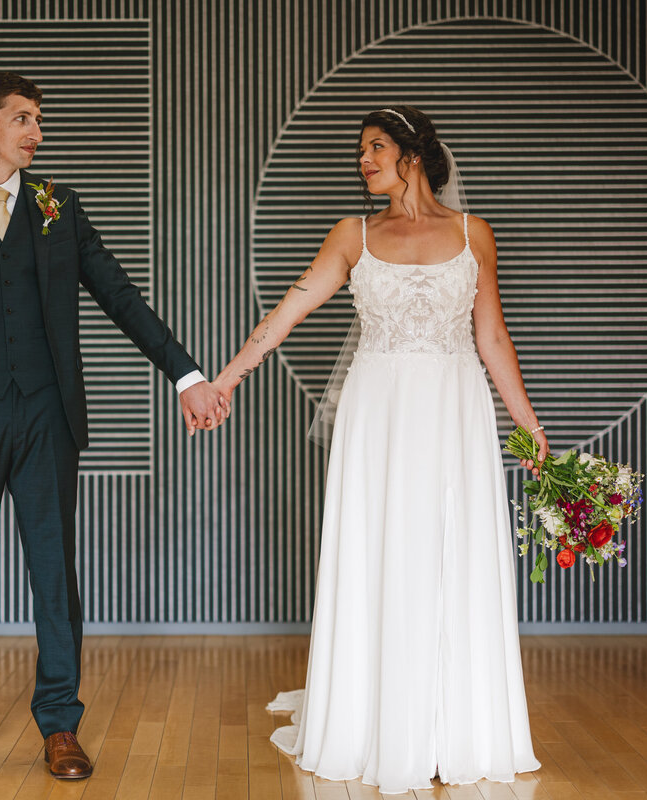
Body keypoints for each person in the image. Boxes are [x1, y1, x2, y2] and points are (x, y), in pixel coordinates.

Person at [0, 72, 228, 781]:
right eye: (22, 120)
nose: (36, 133)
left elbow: (120, 296)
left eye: (38, 120)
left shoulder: (56, 205)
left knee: (54, 578)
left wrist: (187, 375)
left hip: (47, 413)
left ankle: (61, 726)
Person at [213, 106, 545, 793]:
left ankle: (457, 727)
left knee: (452, 554)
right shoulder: (352, 234)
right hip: (377, 416)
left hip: (455, 411)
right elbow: (289, 310)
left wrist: (529, 424)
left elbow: (492, 339)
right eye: (360, 150)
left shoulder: (473, 234)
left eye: (376, 147)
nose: (363, 160)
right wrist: (227, 377)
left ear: (413, 156)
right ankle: (370, 722)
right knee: (380, 549)